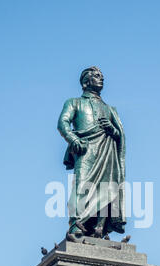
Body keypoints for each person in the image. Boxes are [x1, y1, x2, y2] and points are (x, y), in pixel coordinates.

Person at [58, 66, 126, 239]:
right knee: (81, 187)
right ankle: (75, 225)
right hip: (86, 149)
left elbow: (119, 136)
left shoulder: (110, 109)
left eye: (102, 76)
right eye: (96, 76)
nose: (101, 79)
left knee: (107, 189)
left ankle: (99, 227)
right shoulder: (74, 102)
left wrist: (112, 129)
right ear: (85, 82)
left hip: (107, 151)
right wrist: (73, 140)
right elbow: (62, 123)